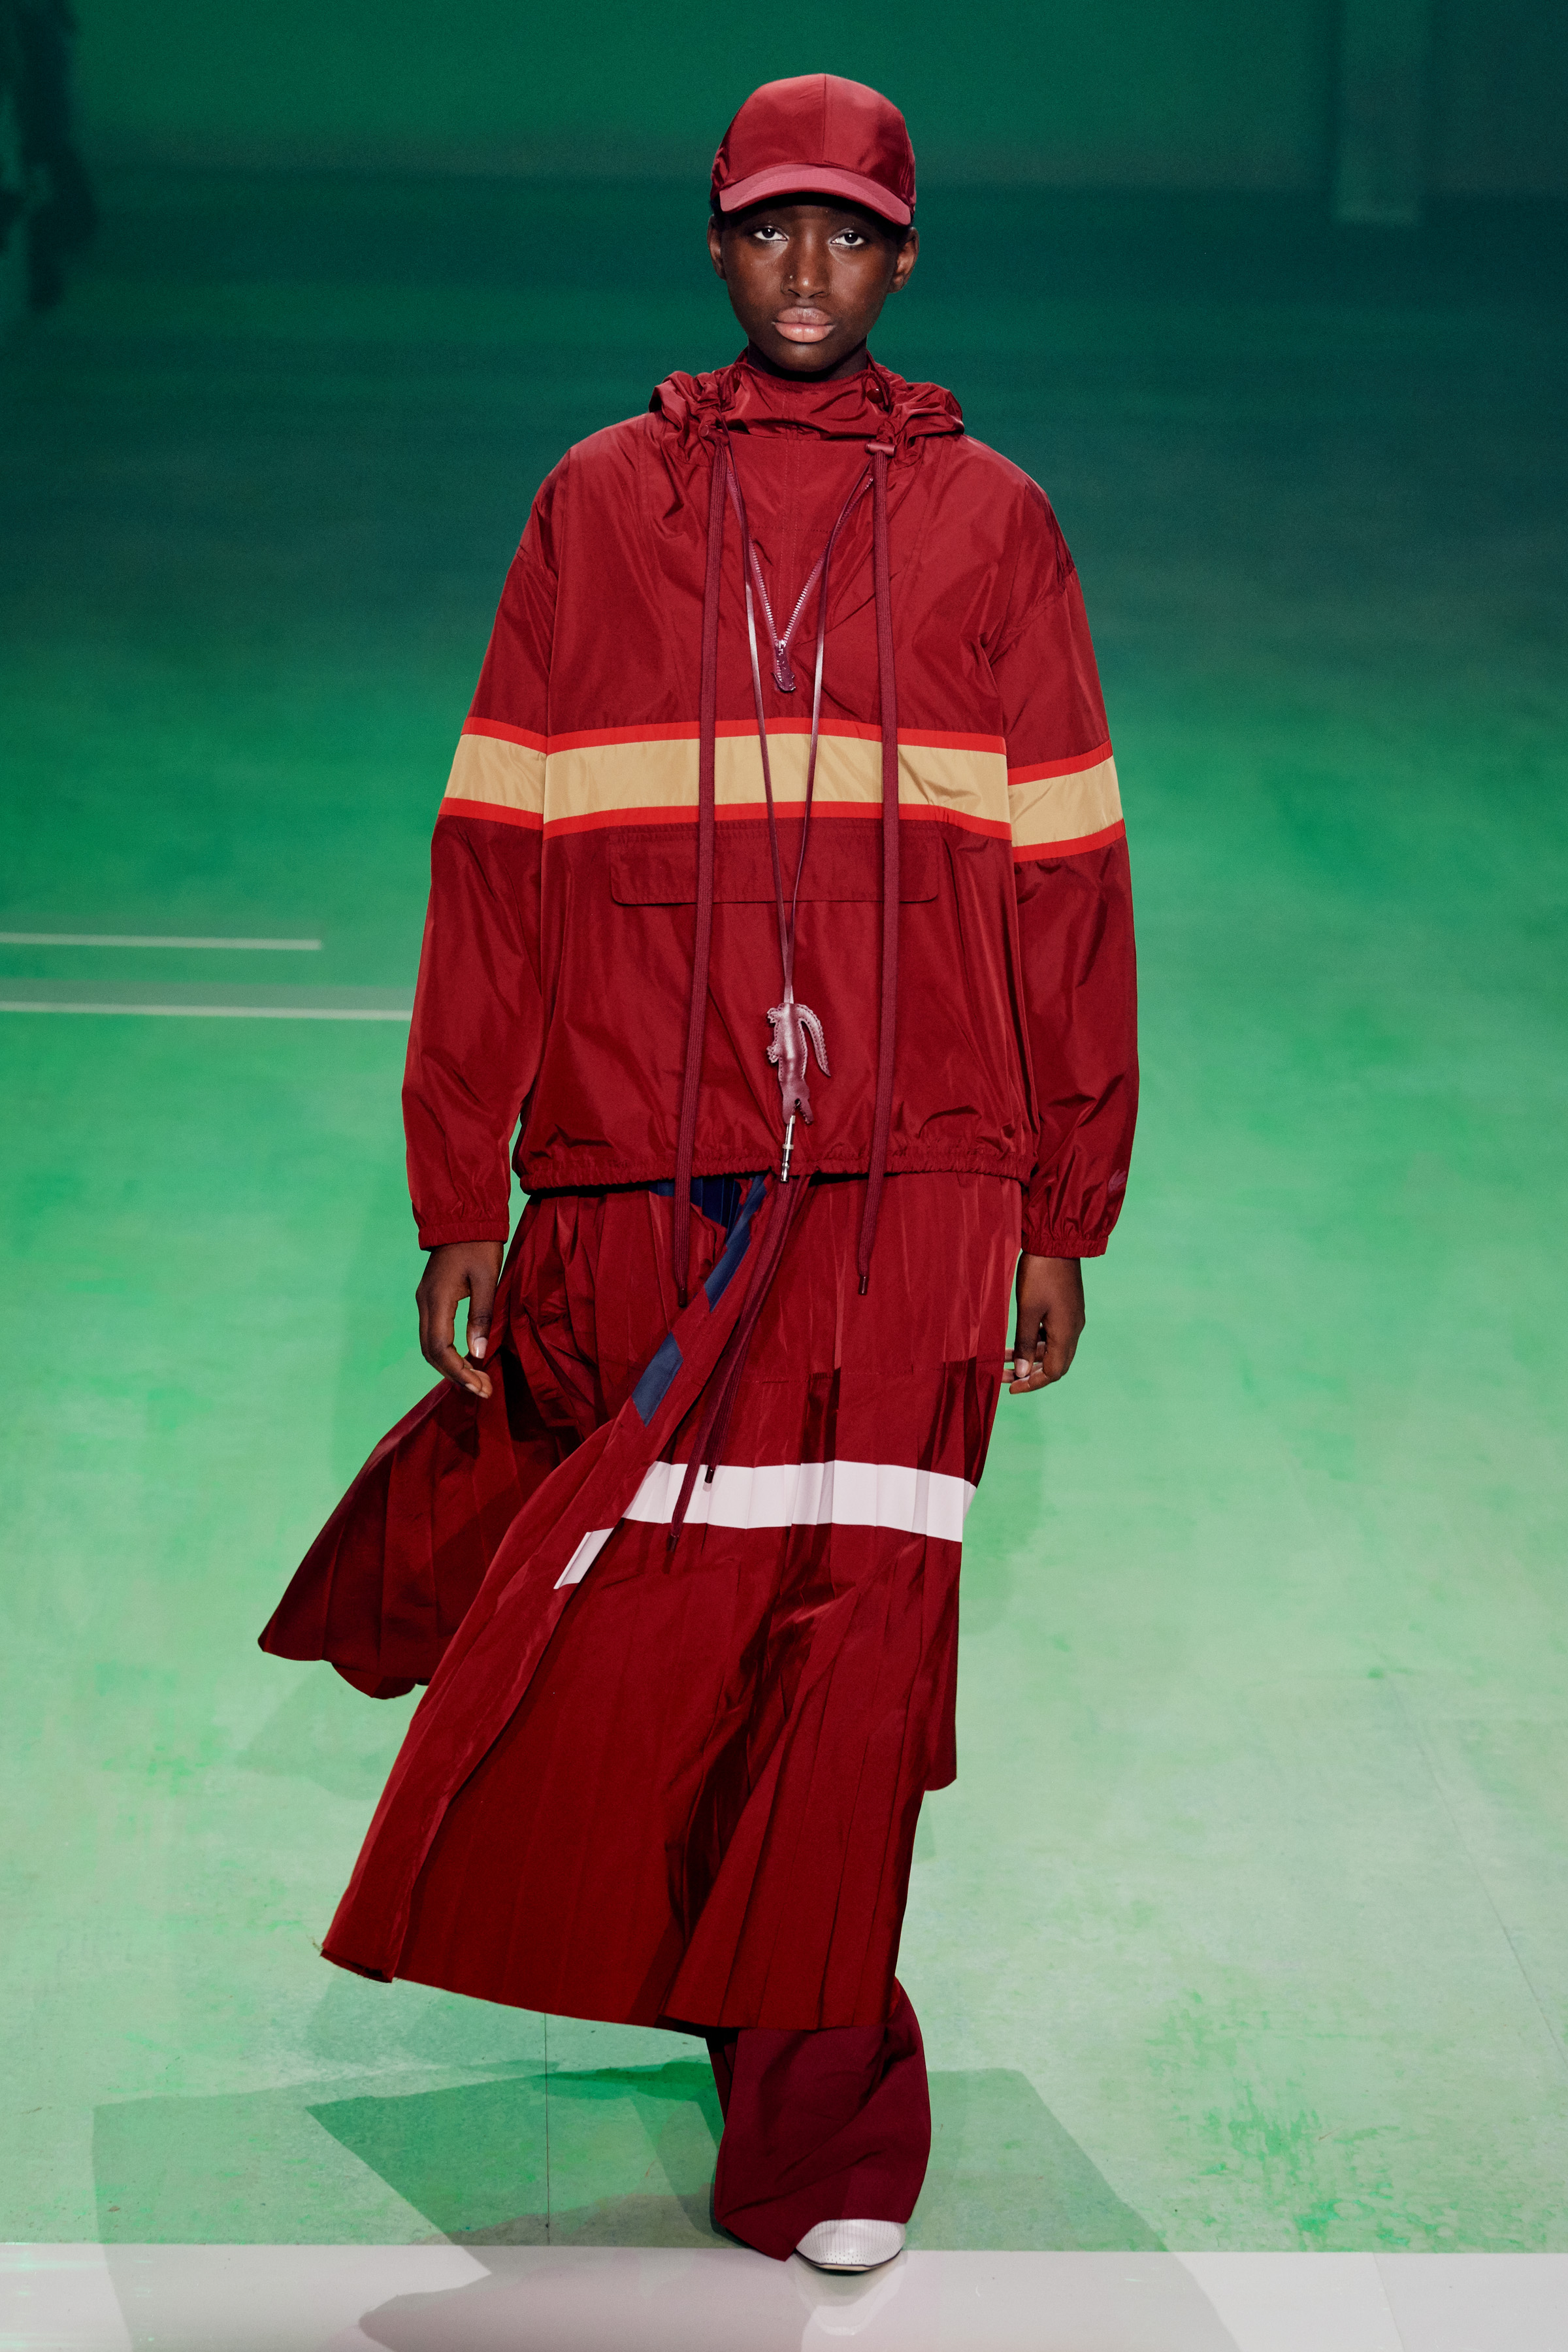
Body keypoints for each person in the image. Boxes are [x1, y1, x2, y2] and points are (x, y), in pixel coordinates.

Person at [262, 72, 1137, 2273]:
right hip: (641, 1167)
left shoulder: (999, 525)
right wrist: (459, 1182)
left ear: (905, 256)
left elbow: (1068, 879)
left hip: (919, 1179)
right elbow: (498, 850)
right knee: (641, 1632)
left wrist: (1067, 1200)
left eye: (849, 232)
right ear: (718, 245)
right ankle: (701, 1977)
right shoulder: (597, 502)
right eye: (769, 229)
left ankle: (826, 2135)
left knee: (851, 1663)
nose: (807, 270)